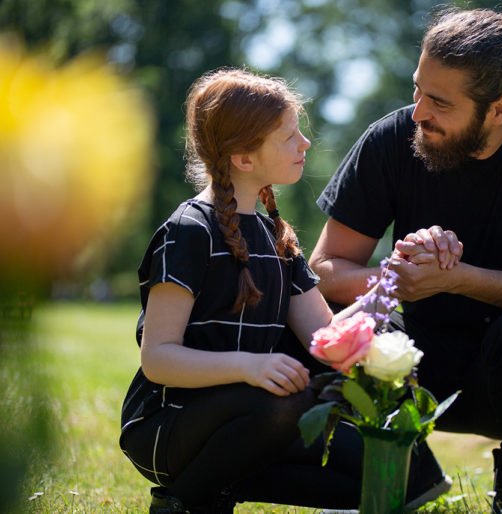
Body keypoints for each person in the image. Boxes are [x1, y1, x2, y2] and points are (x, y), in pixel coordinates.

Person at [309, 1, 502, 512]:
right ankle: (386, 482)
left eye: (440, 103)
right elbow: (323, 271)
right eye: (417, 89)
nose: (418, 112)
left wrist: (457, 278)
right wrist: (397, 276)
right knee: (323, 330)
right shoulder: (392, 139)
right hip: (408, 362)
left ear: (500, 108)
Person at [119, 68, 448, 513]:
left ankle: (222, 485)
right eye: (290, 136)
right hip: (170, 423)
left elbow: (325, 340)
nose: (305, 144)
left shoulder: (276, 235)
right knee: (288, 400)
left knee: (401, 478)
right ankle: (182, 500)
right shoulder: (188, 231)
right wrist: (250, 366)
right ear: (244, 157)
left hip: (257, 418)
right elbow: (158, 359)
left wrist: (393, 279)